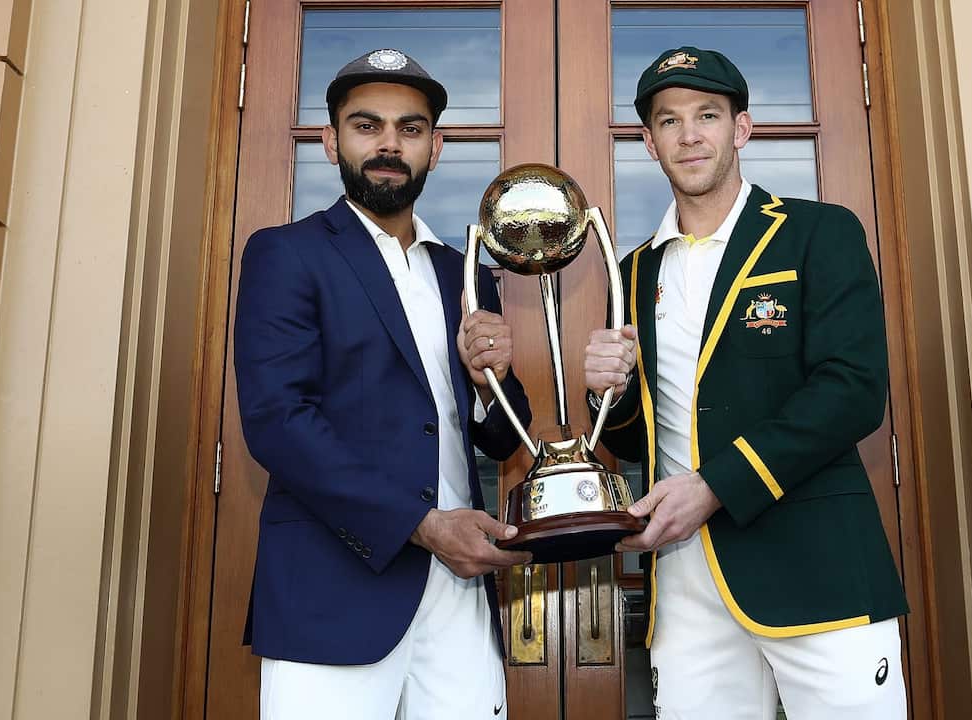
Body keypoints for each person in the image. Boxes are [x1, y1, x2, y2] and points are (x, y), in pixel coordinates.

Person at [583, 46, 908, 719]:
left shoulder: (818, 233)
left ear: (743, 128)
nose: (690, 134)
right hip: (686, 582)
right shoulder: (633, 272)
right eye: (669, 121)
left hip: (817, 568)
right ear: (648, 142)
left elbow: (853, 389)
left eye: (707, 115)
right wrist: (603, 395)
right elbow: (643, 436)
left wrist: (714, 486)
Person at [234, 48, 532, 720]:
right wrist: (424, 526)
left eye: (411, 128)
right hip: (331, 590)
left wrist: (494, 381)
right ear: (329, 139)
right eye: (367, 126)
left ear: (437, 145)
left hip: (459, 593)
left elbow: (497, 432)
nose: (389, 144)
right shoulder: (286, 253)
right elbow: (279, 422)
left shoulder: (466, 272)